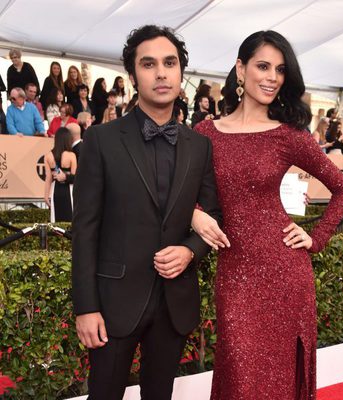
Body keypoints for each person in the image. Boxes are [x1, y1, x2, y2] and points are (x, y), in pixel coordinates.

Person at [192, 30, 343, 399]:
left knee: (276, 379)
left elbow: (342, 187)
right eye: (262, 66)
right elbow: (179, 193)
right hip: (234, 273)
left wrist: (316, 237)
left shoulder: (288, 136)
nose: (271, 77)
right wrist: (193, 215)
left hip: (285, 272)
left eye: (279, 70)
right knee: (239, 370)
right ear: (240, 68)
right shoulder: (205, 133)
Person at [72, 24, 222, 400]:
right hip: (113, 302)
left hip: (174, 304)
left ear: (181, 73)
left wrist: (190, 250)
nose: (161, 73)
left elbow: (213, 214)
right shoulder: (101, 140)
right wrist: (86, 308)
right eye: (149, 63)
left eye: (170, 63)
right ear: (133, 75)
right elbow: (85, 229)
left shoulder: (200, 146)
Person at [44, 127, 77, 222]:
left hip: (55, 191)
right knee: (71, 220)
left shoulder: (48, 156)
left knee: (56, 222)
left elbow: (48, 178)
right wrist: (66, 177)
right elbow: (75, 178)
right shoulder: (71, 155)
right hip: (69, 191)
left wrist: (46, 195)